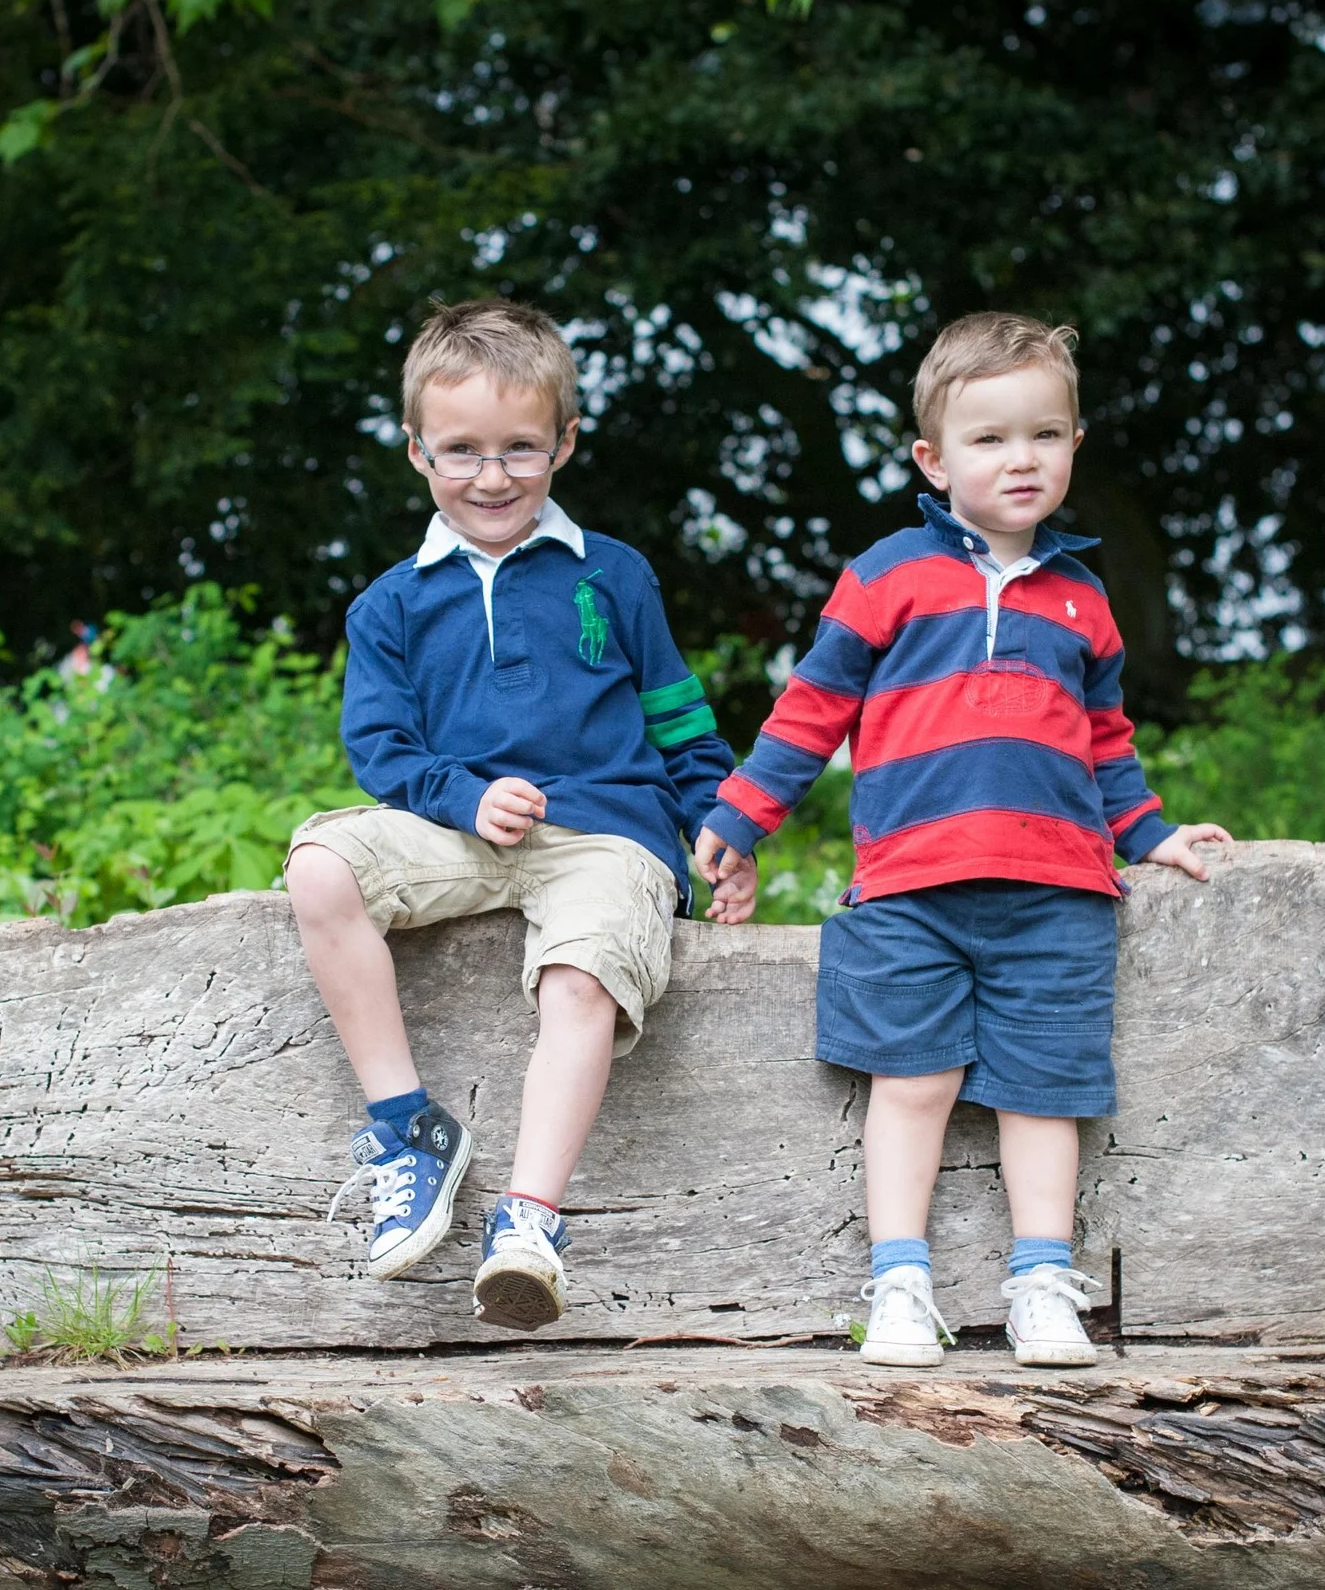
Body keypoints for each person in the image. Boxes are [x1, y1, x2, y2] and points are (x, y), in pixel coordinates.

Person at [693, 312, 1229, 1368]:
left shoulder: (1083, 600)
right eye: (989, 438)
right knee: (914, 1082)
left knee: (1044, 1093)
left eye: (1045, 434)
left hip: (1058, 893)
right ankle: (900, 1281)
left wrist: (1149, 833)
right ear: (933, 460)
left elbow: (1106, 740)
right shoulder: (888, 575)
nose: (1021, 458)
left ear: (1075, 444)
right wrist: (742, 814)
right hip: (909, 887)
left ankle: (1041, 1282)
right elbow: (812, 709)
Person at [286, 297, 752, 1330]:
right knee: (320, 864)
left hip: (605, 834)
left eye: (519, 449)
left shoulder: (614, 574)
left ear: (564, 443)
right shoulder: (391, 604)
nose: (491, 476)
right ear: (418, 451)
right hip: (457, 829)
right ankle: (408, 1130)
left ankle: (529, 1220)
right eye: (462, 451)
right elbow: (382, 749)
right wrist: (464, 795)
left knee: (582, 973)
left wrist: (721, 829)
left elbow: (680, 719)